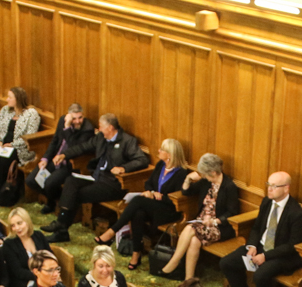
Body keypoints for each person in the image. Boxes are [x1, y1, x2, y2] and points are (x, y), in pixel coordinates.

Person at [41, 114, 150, 243]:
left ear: (110, 127)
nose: (98, 129)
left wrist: (124, 168)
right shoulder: (101, 137)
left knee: (76, 193)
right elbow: (83, 147)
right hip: (97, 177)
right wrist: (64, 154)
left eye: (101, 126)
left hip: (113, 184)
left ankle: (61, 227)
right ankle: (61, 224)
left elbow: (142, 160)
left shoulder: (127, 141)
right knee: (70, 181)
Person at [220, 171, 302, 287]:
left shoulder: (296, 212)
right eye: (268, 185)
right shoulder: (267, 202)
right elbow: (256, 228)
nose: (269, 189)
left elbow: (292, 246)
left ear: (286, 188)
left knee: (260, 275)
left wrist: (265, 256)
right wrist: (252, 245)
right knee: (227, 263)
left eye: (274, 186)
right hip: (261, 247)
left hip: (282, 255)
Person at [93, 139, 192, 269]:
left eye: (162, 150)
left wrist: (161, 197)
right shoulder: (160, 166)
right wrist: (150, 192)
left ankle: (113, 231)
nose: (159, 151)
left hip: (168, 211)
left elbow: (179, 199)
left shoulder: (181, 174)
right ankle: (136, 253)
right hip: (151, 206)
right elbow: (148, 183)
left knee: (138, 201)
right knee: (137, 213)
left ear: (170, 154)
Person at [25, 104, 95, 214]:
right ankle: (55, 199)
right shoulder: (62, 119)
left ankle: (52, 202)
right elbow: (55, 141)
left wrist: (67, 127)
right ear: (68, 116)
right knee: (30, 180)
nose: (77, 121)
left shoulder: (87, 129)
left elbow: (74, 148)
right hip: (55, 159)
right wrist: (45, 159)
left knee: (49, 183)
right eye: (74, 118)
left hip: (71, 164)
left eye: (80, 117)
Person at [0, 87, 41, 197]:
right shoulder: (5, 110)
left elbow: (29, 135)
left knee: (4, 161)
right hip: (2, 144)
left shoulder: (31, 114)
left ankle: (2, 191)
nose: (7, 100)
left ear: (18, 99)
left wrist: (12, 144)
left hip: (19, 148)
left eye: (10, 97)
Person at [1, 208, 51, 287]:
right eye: (13, 226)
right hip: (22, 283)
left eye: (19, 223)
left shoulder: (38, 236)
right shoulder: (9, 244)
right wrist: (42, 275)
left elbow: (50, 257)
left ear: (27, 222)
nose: (17, 228)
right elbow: (18, 272)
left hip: (44, 276)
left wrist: (49, 272)